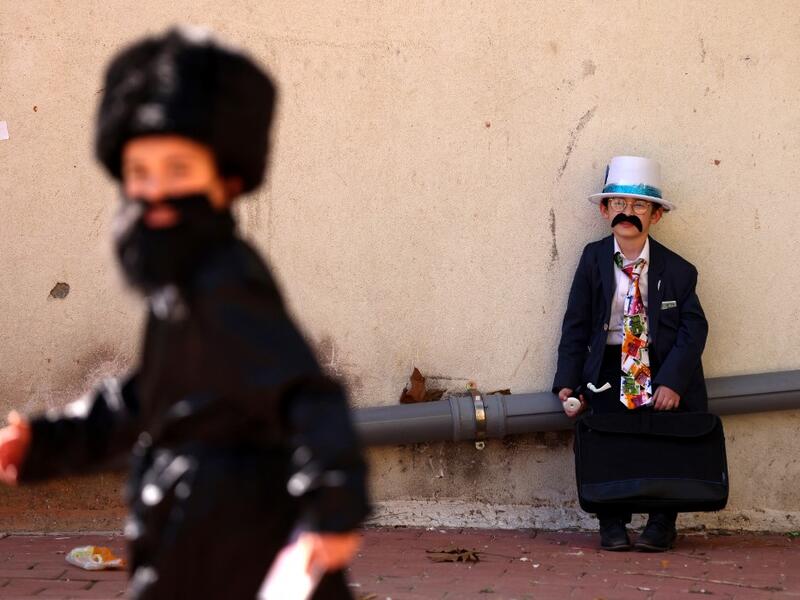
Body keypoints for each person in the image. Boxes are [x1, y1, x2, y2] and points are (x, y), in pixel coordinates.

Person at [0, 27, 369, 599]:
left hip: (240, 538)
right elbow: (150, 399)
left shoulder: (227, 281)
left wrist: (333, 508)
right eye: (140, 175)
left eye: (178, 171)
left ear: (226, 181)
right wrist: (49, 442)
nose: (155, 195)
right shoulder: (183, 283)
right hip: (189, 534)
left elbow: (308, 396)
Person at [552, 155, 708, 552]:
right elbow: (576, 323)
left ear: (655, 216)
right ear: (605, 210)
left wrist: (673, 381)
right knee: (609, 442)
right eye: (619, 204)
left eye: (640, 206)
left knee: (663, 443)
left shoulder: (678, 270)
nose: (629, 213)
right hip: (607, 363)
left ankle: (661, 522)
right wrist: (568, 383)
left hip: (658, 366)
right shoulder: (592, 259)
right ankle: (612, 520)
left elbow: (694, 329)